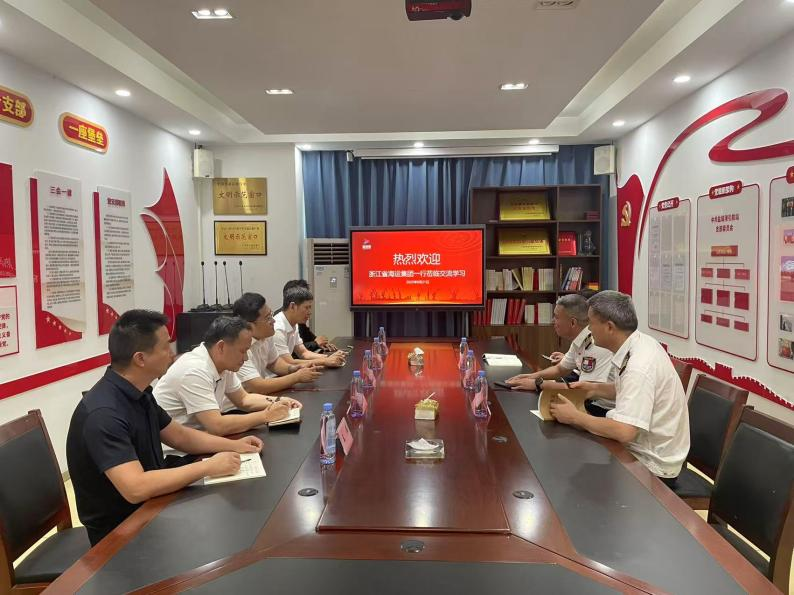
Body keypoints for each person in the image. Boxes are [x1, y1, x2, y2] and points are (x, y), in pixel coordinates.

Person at [66, 310, 264, 545]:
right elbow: (135, 488)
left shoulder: (140, 392)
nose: (172, 354)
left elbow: (180, 436)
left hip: (155, 503)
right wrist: (208, 466)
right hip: (121, 531)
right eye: (165, 348)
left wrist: (235, 445)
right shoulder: (104, 414)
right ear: (140, 359)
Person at [549, 291, 690, 484]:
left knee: (570, 473)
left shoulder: (638, 366)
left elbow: (625, 431)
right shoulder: (638, 342)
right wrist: (594, 389)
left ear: (609, 327)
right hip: (640, 448)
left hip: (651, 464)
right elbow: (628, 390)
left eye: (591, 323)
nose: (588, 329)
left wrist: (575, 416)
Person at [154, 316, 298, 436]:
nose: (246, 358)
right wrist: (266, 416)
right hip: (179, 452)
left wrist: (279, 401)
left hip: (201, 438)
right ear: (221, 347)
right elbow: (217, 426)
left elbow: (244, 399)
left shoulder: (223, 362)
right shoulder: (194, 370)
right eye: (242, 351)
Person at [506, 294, 615, 415]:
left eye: (557, 317)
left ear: (573, 322)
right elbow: (560, 369)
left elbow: (583, 390)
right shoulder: (580, 339)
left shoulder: (596, 344)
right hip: (588, 400)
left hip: (601, 408)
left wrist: (538, 384)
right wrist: (532, 377)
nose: (553, 321)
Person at [233, 292, 323, 392]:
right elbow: (256, 386)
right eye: (268, 318)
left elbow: (274, 362)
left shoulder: (266, 336)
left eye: (271, 314)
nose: (273, 321)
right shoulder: (238, 347)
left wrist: (294, 368)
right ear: (249, 325)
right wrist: (296, 377)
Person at [274, 286, 346, 368]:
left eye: (310, 307)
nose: (309, 312)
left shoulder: (294, 324)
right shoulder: (278, 328)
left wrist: (330, 357)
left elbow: (304, 353)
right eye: (306, 307)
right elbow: (288, 363)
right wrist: (325, 361)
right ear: (292, 306)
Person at [281, 279, 337, 352]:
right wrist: (316, 343)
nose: (310, 312)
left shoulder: (296, 323)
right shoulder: (279, 325)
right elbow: (292, 353)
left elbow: (303, 350)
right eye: (306, 307)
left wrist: (322, 343)